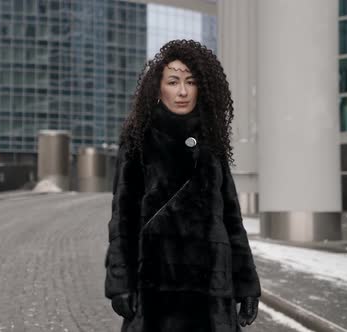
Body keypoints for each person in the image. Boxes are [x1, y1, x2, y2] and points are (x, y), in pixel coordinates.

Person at [104, 39, 261, 332]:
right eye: (173, 81)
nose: (183, 91)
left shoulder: (211, 143)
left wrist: (247, 285)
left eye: (191, 82)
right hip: (157, 292)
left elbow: (231, 220)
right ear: (158, 88)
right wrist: (120, 283)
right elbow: (122, 219)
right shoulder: (139, 141)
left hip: (212, 294)